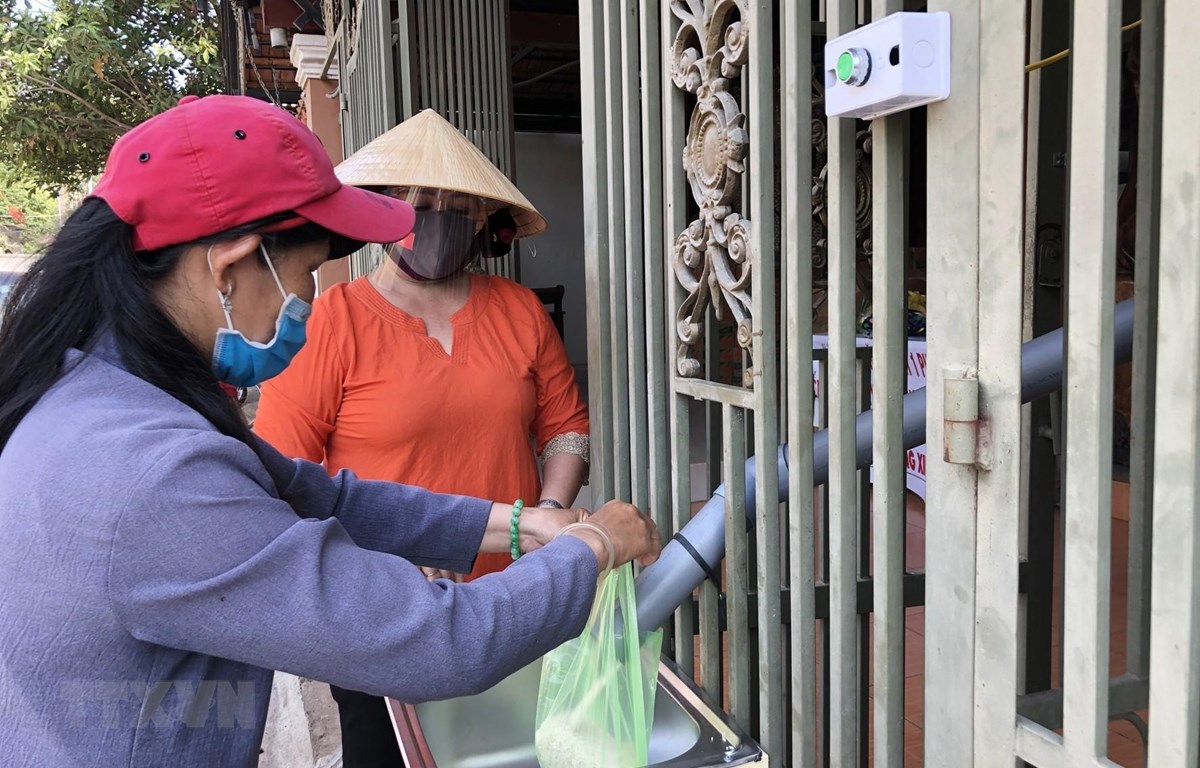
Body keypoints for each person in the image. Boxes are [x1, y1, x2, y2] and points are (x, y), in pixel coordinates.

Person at [0, 95, 660, 768]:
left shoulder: (108, 398)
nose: (310, 295)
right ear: (229, 266)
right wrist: (592, 545)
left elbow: (327, 495)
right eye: (306, 270)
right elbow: (444, 644)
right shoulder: (151, 473)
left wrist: (526, 527)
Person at [252, 110, 593, 766]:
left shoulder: (519, 311)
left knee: (507, 753)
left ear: (482, 223)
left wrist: (549, 516)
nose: (437, 219)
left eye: (456, 206)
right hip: (382, 617)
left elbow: (566, 430)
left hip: (514, 602)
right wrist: (386, 561)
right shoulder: (333, 323)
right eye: (420, 203)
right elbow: (285, 482)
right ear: (382, 215)